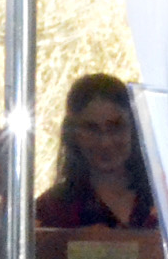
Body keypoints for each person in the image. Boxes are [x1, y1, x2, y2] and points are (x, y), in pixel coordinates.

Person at [35, 72, 157, 229]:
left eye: (115, 127)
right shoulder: (51, 211)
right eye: (91, 129)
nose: (105, 142)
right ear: (72, 134)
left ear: (134, 128)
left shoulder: (165, 203)